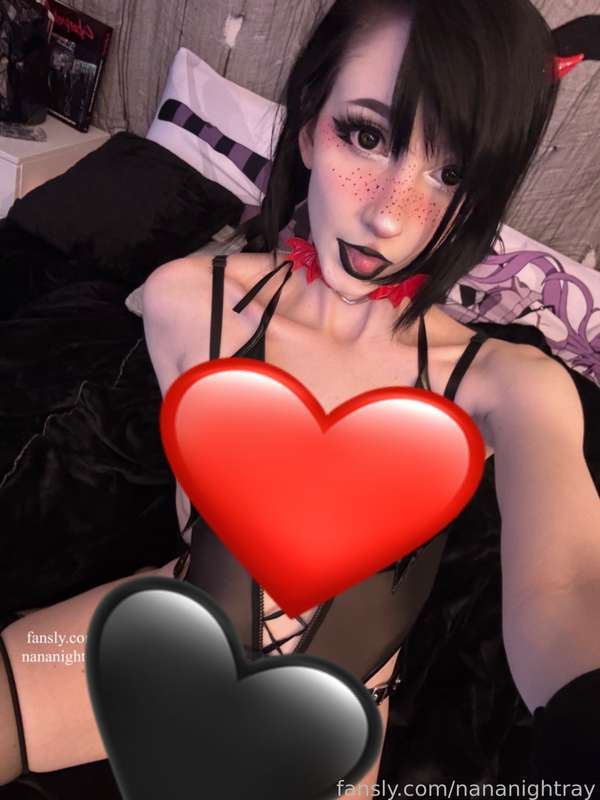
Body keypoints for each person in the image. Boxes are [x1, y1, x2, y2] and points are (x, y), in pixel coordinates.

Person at [1, 0, 600, 793]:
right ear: (311, 124)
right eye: (368, 136)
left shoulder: (513, 387)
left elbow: (566, 587)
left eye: (449, 173)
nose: (388, 215)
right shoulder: (185, 298)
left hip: (329, 733)